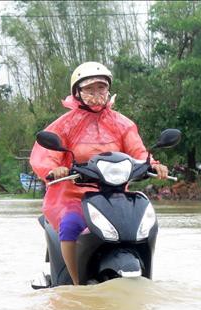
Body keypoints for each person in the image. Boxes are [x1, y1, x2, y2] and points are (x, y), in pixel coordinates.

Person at [29, 61, 169, 285]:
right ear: (78, 92)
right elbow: (45, 155)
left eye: (101, 88)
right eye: (90, 89)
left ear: (108, 90)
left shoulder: (122, 124)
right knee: (70, 225)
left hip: (115, 194)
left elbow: (139, 152)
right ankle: (74, 285)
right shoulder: (64, 125)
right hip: (74, 195)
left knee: (147, 222)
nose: (97, 94)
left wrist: (153, 164)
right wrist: (54, 169)